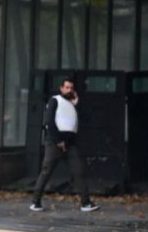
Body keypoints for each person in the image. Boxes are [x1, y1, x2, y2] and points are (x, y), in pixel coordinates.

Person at [30, 77, 100, 212]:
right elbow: (49, 122)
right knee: (46, 171)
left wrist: (77, 104)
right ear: (61, 88)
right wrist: (57, 141)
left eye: (71, 88)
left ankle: (86, 203)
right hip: (54, 143)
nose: (69, 90)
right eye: (67, 87)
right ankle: (35, 202)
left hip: (70, 144)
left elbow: (85, 120)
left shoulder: (73, 103)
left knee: (79, 171)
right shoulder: (55, 100)